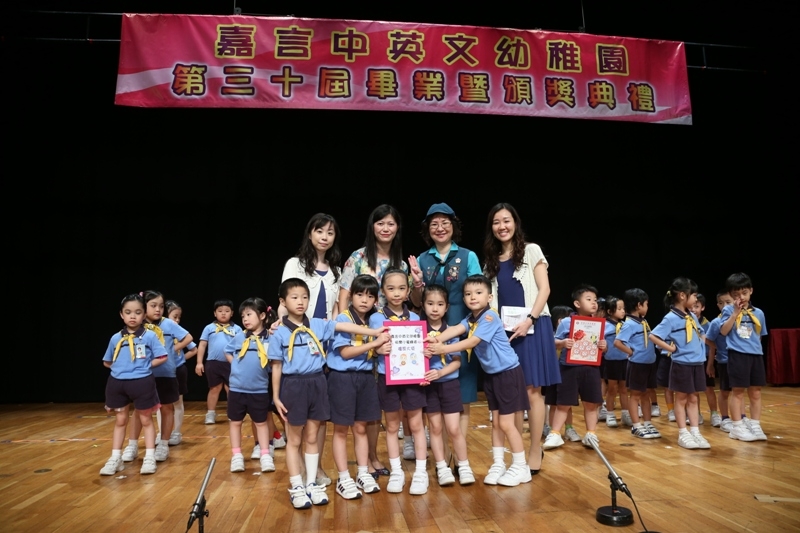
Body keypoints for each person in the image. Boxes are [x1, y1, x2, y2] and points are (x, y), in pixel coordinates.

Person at [270, 278, 387, 509]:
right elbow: (276, 366)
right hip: (293, 385)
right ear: (283, 301)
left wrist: (373, 332)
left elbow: (344, 327)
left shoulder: (317, 324)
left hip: (318, 383)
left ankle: (312, 483)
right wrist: (275, 396)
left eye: (305, 297)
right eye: (294, 297)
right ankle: (297, 486)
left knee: (313, 437)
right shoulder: (279, 333)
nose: (301, 302)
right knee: (294, 439)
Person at [426, 275, 531, 487]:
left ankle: (521, 466)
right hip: (492, 375)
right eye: (468, 294)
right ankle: (499, 464)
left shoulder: (489, 317)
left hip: (508, 373)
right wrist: (435, 338)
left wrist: (442, 348)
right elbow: (455, 329)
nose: (472, 297)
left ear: (489, 297)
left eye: (478, 293)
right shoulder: (472, 318)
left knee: (506, 423)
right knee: (496, 424)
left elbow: (472, 341)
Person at [482, 203, 560, 474]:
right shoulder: (490, 261)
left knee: (531, 391)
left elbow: (545, 288)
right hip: (505, 332)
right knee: (512, 393)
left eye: (506, 220)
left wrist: (530, 319)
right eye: (496, 222)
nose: (502, 226)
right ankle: (517, 455)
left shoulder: (531, 250)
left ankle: (535, 450)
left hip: (533, 326)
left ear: (515, 223)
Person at [337, 204, 409, 478]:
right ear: (372, 226)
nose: (385, 228)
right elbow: (344, 297)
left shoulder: (401, 263)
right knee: (364, 407)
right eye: (380, 223)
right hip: (361, 338)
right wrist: (346, 329)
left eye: (391, 223)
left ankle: (374, 456)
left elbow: (411, 302)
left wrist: (416, 282)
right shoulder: (357, 257)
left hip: (392, 342)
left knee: (378, 405)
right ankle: (367, 460)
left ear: (397, 228)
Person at [408, 203, 482, 448]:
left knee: (464, 391)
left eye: (445, 223)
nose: (440, 228)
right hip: (429, 333)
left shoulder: (468, 256)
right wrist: (417, 283)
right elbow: (416, 302)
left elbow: (478, 292)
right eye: (434, 224)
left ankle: (457, 452)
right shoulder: (422, 259)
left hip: (463, 330)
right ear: (427, 229)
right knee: (431, 386)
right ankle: (440, 449)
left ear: (454, 226)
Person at [279, 213, 343, 487]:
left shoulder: (336, 270)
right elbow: (285, 301)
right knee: (296, 414)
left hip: (324, 345)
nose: (324, 237)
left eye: (330, 232)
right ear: (310, 233)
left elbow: (336, 310)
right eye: (319, 231)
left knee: (320, 413)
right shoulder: (294, 264)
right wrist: (282, 330)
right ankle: (300, 472)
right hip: (298, 345)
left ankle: (315, 468)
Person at [368, 268, 430, 495]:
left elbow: (422, 347)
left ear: (408, 291)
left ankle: (421, 472)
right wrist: (378, 350)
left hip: (412, 378)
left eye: (402, 288)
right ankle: (396, 471)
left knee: (416, 425)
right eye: (391, 288)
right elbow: (371, 348)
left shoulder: (415, 318)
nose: (396, 293)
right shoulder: (376, 318)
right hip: (387, 377)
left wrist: (425, 356)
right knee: (392, 426)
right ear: (383, 291)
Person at [327, 274, 389, 500]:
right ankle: (343, 478)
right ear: (351, 295)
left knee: (361, 428)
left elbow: (376, 349)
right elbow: (345, 353)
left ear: (376, 300)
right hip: (342, 378)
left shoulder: (374, 320)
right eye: (360, 294)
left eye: (370, 296)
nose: (364, 300)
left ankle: (363, 473)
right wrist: (375, 344)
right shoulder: (343, 318)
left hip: (365, 378)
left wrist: (381, 349)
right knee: (341, 430)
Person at [100, 294, 167, 476]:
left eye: (137, 312)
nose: (132, 316)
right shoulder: (115, 338)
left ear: (144, 315)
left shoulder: (150, 336)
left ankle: (150, 457)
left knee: (146, 419)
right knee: (120, 420)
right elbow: (107, 361)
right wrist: (121, 369)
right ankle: (116, 457)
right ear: (121, 314)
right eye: (128, 312)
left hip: (142, 382)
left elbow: (162, 356)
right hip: (117, 383)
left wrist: (145, 366)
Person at [123, 290, 192, 464]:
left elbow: (188, 337)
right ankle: (132, 445)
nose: (158, 309)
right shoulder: (137, 325)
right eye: (153, 305)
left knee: (167, 408)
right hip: (143, 375)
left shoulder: (168, 324)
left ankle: (163, 444)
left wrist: (172, 350)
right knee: (139, 410)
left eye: (161, 306)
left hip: (166, 373)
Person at [418, 284, 475, 486]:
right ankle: (442, 467)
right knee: (434, 428)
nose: (435, 308)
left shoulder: (451, 331)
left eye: (440, 304)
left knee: (454, 428)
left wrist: (440, 373)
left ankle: (464, 466)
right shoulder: (417, 332)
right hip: (428, 387)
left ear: (447, 307)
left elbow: (457, 362)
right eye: (430, 303)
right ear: (423, 305)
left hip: (449, 385)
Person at [650, 277, 710, 450]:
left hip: (697, 363)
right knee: (682, 398)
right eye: (694, 295)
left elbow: (701, 332)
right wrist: (670, 347)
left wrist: (701, 345)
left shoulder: (691, 316)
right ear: (683, 295)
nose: (696, 299)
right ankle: (683, 432)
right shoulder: (671, 318)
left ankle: (695, 431)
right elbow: (653, 336)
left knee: (694, 397)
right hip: (682, 363)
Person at [547, 285, 607, 450]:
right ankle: (555, 433)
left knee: (591, 403)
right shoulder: (567, 322)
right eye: (589, 299)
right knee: (563, 403)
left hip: (591, 368)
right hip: (569, 368)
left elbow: (602, 347)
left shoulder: (599, 324)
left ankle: (591, 434)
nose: (594, 303)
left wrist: (604, 346)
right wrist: (563, 342)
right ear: (577, 303)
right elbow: (554, 342)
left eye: (595, 300)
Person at [224, 298, 278, 474]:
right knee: (235, 422)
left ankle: (265, 454)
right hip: (237, 389)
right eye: (243, 316)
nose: (245, 319)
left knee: (261, 423)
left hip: (259, 389)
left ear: (262, 315)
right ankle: (237, 455)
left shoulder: (271, 338)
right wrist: (235, 365)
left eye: (249, 314)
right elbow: (227, 351)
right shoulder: (240, 337)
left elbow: (275, 361)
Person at [719, 272, 768, 442]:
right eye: (736, 294)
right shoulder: (727, 310)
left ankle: (755, 424)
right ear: (731, 295)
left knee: (755, 392)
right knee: (738, 391)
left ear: (751, 291)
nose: (741, 297)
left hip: (755, 355)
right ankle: (737, 426)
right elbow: (723, 331)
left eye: (744, 293)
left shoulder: (759, 313)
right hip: (737, 355)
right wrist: (735, 313)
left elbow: (759, 335)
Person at [614, 288, 661, 439]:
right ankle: (636, 425)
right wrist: (631, 352)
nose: (647, 307)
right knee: (635, 395)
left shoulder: (643, 321)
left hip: (649, 363)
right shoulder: (629, 324)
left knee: (645, 394)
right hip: (637, 364)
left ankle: (647, 422)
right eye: (646, 304)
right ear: (639, 305)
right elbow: (617, 342)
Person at [196, 299, 242, 425]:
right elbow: (202, 345)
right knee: (214, 388)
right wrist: (199, 362)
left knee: (231, 388)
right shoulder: (209, 328)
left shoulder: (237, 329)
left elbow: (241, 347)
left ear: (232, 313)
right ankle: (210, 413)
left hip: (231, 363)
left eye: (227, 311)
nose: (223, 313)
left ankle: (232, 413)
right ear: (215, 313)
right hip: (213, 363)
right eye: (220, 311)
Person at [164, 300, 197, 446]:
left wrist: (179, 357)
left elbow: (194, 349)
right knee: (162, 404)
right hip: (162, 371)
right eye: (174, 317)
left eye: (179, 317)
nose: (177, 320)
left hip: (178, 370)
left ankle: (176, 432)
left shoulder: (179, 332)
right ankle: (162, 432)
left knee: (178, 402)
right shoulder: (158, 331)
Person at [706, 290, 735, 432]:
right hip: (724, 361)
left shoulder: (739, 320)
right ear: (717, 305)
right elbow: (707, 339)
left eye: (728, 302)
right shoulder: (716, 322)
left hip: (739, 360)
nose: (725, 306)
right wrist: (718, 348)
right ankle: (725, 418)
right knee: (725, 391)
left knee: (738, 391)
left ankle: (740, 418)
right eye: (721, 303)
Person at [602, 296, 629, 428]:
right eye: (619, 308)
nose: (623, 311)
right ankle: (610, 414)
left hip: (625, 360)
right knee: (612, 388)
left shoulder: (625, 325)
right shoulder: (605, 326)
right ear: (609, 311)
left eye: (623, 308)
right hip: (611, 361)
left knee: (624, 388)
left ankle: (625, 414)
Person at [692, 294, 717, 426]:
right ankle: (697, 414)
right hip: (692, 360)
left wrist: (710, 364)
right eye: (692, 306)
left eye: (697, 306)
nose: (693, 309)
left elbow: (712, 346)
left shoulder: (708, 325)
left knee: (708, 388)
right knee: (694, 390)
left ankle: (714, 414)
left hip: (705, 359)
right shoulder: (686, 322)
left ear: (702, 308)